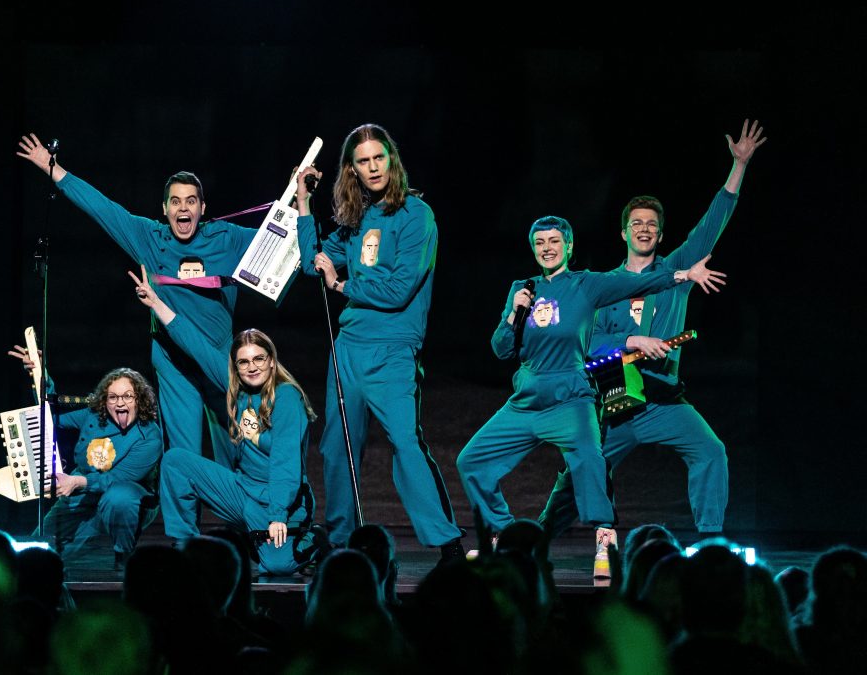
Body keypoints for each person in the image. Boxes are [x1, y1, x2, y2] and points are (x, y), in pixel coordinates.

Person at [456, 214, 721, 582]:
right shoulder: (524, 287)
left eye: (554, 241)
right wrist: (514, 312)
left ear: (568, 246)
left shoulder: (587, 285)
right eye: (540, 243)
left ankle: (604, 540)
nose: (547, 248)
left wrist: (682, 275)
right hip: (526, 400)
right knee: (471, 461)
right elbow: (502, 349)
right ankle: (504, 535)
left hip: (571, 400)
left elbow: (637, 282)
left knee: (590, 463)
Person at [538, 119, 767, 542]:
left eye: (651, 224)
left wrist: (739, 166)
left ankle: (711, 542)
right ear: (623, 231)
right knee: (582, 467)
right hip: (618, 402)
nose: (644, 228)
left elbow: (714, 221)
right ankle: (534, 543)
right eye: (636, 223)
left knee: (711, 452)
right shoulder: (602, 287)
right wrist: (631, 341)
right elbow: (585, 344)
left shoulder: (677, 272)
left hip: (665, 401)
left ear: (660, 234)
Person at [16, 134, 257, 470]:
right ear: (164, 209)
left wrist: (297, 200)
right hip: (175, 363)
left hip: (219, 357)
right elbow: (104, 209)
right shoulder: (149, 238)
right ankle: (184, 525)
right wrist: (54, 169)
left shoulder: (228, 237)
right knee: (184, 459)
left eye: (191, 201)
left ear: (203, 208)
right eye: (175, 202)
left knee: (245, 447)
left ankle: (250, 517)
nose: (183, 208)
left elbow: (279, 238)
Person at [293, 123, 464, 562]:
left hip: (393, 349)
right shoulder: (355, 219)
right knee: (337, 446)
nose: (372, 168)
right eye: (362, 161)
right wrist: (303, 201)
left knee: (406, 442)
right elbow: (315, 264)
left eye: (378, 158)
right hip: (348, 347)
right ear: (351, 168)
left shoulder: (416, 215)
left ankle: (448, 543)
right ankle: (342, 543)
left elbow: (400, 288)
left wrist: (345, 285)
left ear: (392, 159)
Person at [131, 266, 323, 575]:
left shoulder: (287, 397)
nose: (251, 367)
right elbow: (195, 344)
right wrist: (156, 304)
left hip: (280, 502)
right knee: (177, 461)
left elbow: (285, 463)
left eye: (258, 359)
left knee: (277, 566)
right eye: (243, 362)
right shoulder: (236, 388)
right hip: (244, 492)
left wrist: (277, 515)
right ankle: (184, 546)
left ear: (271, 362)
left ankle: (313, 537)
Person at [7, 347, 162, 564]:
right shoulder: (93, 416)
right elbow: (51, 420)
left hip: (128, 496)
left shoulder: (150, 435)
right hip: (82, 495)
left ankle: (123, 558)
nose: (120, 403)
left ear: (139, 400)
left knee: (119, 497)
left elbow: (119, 479)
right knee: (34, 555)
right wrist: (40, 375)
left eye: (128, 396)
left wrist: (77, 482)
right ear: (105, 401)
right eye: (113, 397)